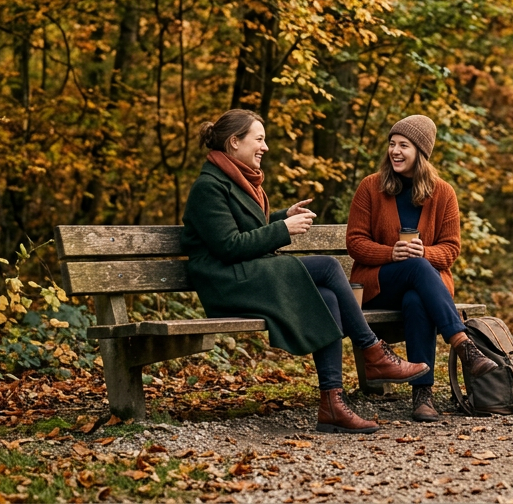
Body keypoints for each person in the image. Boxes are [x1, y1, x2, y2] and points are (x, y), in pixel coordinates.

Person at [181, 109, 429, 434]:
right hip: (227, 283)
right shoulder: (209, 187)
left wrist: (282, 216)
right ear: (234, 142)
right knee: (326, 266)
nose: (265, 147)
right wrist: (283, 228)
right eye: (259, 139)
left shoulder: (236, 180)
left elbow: (242, 229)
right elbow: (229, 245)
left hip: (247, 275)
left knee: (327, 296)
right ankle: (372, 351)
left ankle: (333, 404)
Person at [347, 115, 500, 423]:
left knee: (417, 300)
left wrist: (425, 252)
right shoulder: (370, 187)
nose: (395, 151)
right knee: (416, 268)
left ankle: (422, 396)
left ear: (421, 152)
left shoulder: (443, 193)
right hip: (379, 283)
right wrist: (391, 253)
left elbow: (451, 249)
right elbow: (355, 242)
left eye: (404, 145)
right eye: (392, 144)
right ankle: (461, 342)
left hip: (422, 289)